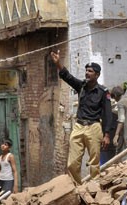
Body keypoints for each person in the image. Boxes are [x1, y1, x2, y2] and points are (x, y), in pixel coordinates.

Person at [50, 51, 112, 183]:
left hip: (94, 127)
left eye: (90, 71)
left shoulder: (103, 92)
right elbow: (68, 77)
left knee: (94, 163)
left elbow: (108, 114)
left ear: (97, 75)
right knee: (72, 164)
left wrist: (107, 134)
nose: (87, 73)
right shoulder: (81, 86)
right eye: (86, 70)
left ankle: (95, 188)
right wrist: (58, 63)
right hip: (78, 126)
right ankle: (78, 188)